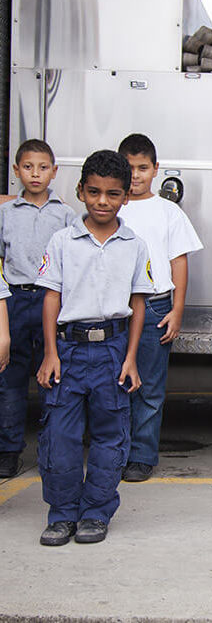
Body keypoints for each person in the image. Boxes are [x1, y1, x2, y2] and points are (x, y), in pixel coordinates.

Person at [35, 150, 153, 546]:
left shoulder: (135, 245)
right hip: (68, 350)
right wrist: (50, 352)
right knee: (60, 436)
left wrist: (132, 358)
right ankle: (63, 514)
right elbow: (52, 297)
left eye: (113, 194)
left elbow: (138, 304)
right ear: (81, 191)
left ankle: (96, 512)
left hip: (113, 350)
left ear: (125, 197)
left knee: (111, 435)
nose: (103, 201)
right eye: (94, 192)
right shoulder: (62, 241)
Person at [117, 133, 203, 483]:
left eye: (142, 168)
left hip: (154, 307)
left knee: (149, 386)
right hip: (112, 309)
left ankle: (141, 455)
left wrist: (177, 309)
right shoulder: (111, 205)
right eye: (128, 168)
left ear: (155, 169)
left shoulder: (168, 212)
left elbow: (178, 262)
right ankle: (114, 450)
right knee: (113, 382)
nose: (135, 175)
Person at [0, 139, 75, 478]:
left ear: (54, 172)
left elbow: (72, 262)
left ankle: (50, 449)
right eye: (28, 167)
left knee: (52, 377)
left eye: (43, 167)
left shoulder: (66, 214)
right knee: (10, 380)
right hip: (15, 301)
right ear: (16, 171)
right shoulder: (5, 213)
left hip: (50, 300)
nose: (35, 174)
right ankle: (9, 449)